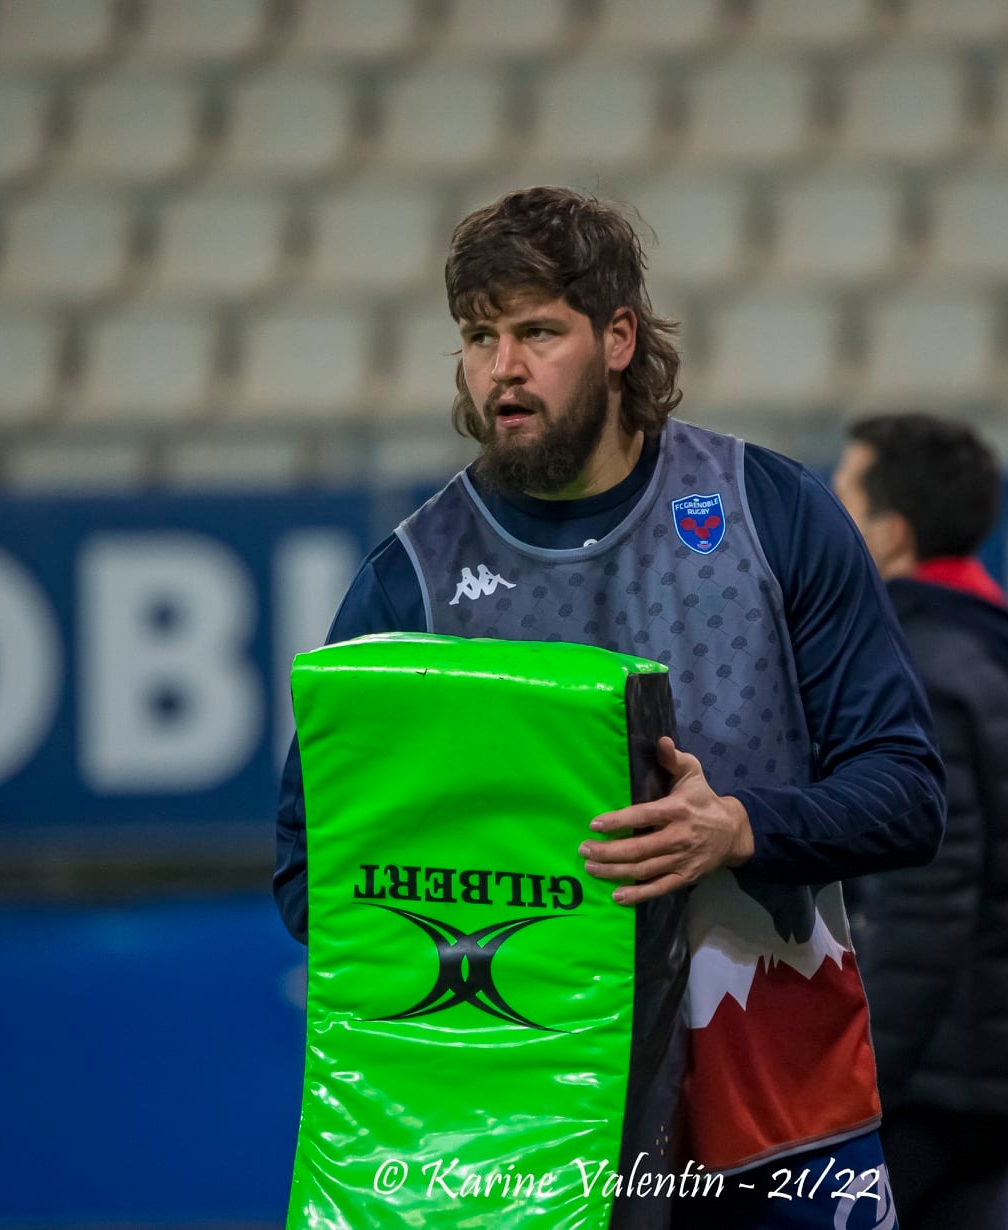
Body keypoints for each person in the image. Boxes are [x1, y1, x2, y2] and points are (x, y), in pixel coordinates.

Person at [274, 187, 946, 1228]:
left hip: (781, 1121)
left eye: (538, 330)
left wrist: (738, 828)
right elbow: (311, 871)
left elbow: (906, 793)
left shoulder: (769, 515)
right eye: (479, 335)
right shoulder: (410, 581)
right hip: (525, 1150)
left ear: (620, 337)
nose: (504, 366)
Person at [831, 414, 1008, 1230]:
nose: (826, 531)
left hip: (921, 1082)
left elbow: (925, 906)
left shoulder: (915, 674)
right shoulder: (1000, 669)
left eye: (844, 506)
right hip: (987, 1078)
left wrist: (862, 1086)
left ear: (891, 535)